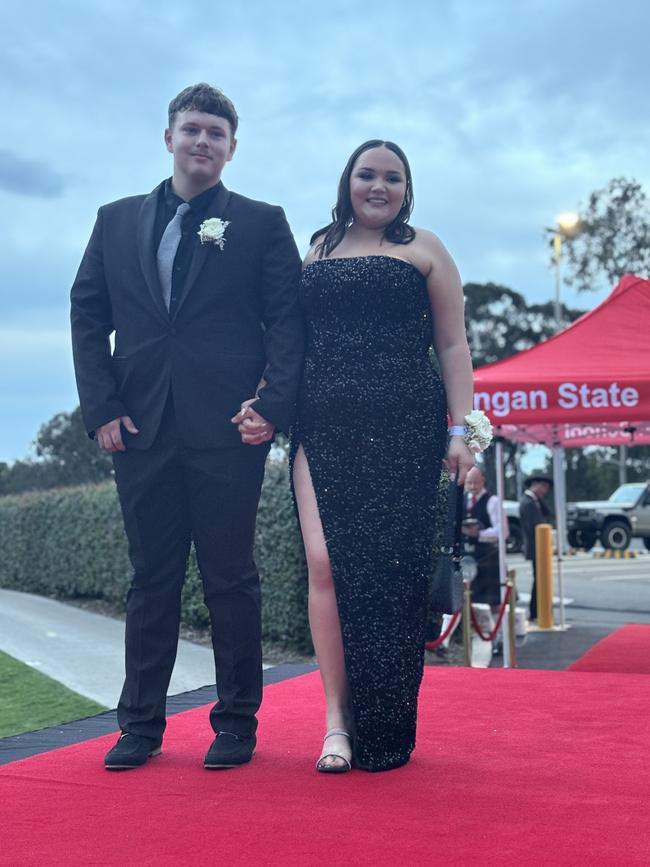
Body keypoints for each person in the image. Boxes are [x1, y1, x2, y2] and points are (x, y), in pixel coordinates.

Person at [70, 83, 304, 770]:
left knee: (231, 578)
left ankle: (236, 722)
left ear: (233, 148)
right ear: (168, 136)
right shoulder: (113, 221)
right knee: (151, 580)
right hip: (138, 427)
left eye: (217, 134)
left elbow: (288, 322)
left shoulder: (262, 224)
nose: (203, 142)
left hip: (231, 428)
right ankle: (139, 725)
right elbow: (87, 315)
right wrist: (102, 407)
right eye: (192, 129)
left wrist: (271, 404)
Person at [290, 140, 476, 773]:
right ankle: (335, 724)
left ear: (407, 188)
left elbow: (453, 346)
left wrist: (462, 434)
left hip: (407, 429)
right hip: (322, 424)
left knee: (392, 575)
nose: (378, 186)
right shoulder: (316, 249)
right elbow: (290, 341)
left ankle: (386, 723)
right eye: (367, 174)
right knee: (324, 562)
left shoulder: (425, 248)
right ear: (347, 180)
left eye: (392, 177)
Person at [462, 466, 508, 608]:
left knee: (492, 607)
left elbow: (503, 532)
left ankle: (495, 630)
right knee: (467, 606)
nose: (473, 486)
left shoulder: (493, 501)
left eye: (476, 482)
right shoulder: (462, 500)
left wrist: (479, 534)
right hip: (467, 560)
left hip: (488, 559)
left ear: (483, 480)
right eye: (469, 482)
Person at [519, 474, 553, 621]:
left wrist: (539, 499)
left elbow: (549, 513)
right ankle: (535, 612)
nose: (545, 491)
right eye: (544, 487)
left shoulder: (534, 501)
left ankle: (538, 611)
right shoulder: (527, 503)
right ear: (536, 484)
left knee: (539, 579)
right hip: (536, 546)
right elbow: (535, 527)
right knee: (538, 580)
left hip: (540, 546)